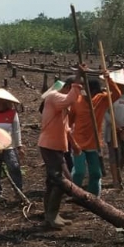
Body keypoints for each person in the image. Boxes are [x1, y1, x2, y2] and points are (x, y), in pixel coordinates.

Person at [38, 71, 83, 229]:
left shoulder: (63, 105)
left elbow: (66, 129)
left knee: (54, 181)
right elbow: (70, 98)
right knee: (62, 180)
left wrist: (75, 144)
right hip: (50, 146)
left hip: (56, 147)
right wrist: (79, 77)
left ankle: (52, 215)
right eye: (77, 90)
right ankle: (51, 215)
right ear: (70, 87)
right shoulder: (55, 97)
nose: (78, 96)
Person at [70, 72, 121, 196]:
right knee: (79, 172)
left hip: (94, 143)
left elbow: (117, 94)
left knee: (96, 173)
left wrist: (107, 79)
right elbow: (70, 121)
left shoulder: (101, 99)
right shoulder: (77, 101)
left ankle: (94, 198)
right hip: (79, 143)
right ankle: (75, 195)